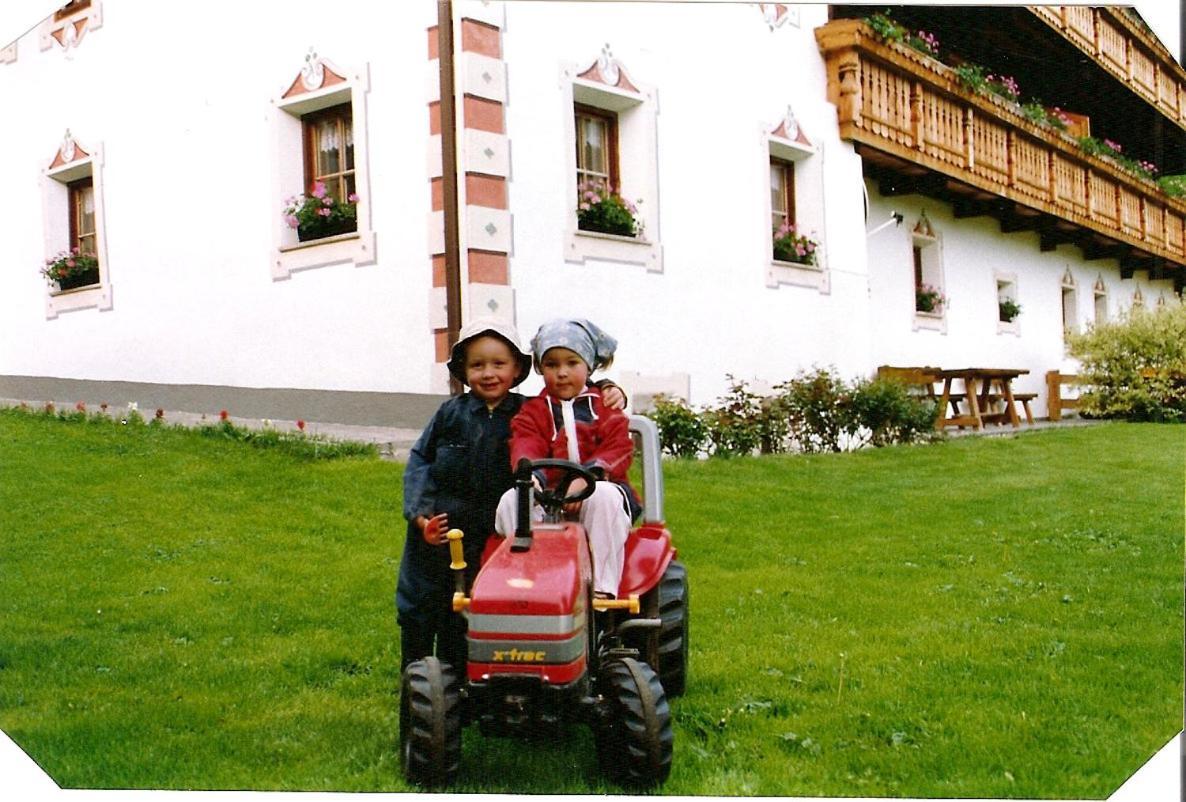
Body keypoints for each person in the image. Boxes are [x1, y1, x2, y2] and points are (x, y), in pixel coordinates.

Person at [397, 318, 625, 671]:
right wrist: (420, 513)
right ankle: (414, 671)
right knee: (422, 600)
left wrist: (610, 388)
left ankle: (461, 670)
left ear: (518, 368)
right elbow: (421, 461)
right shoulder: (449, 413)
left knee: (476, 601)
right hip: (444, 525)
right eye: (477, 365)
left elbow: (572, 392)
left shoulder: (529, 410)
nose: (488, 373)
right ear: (462, 370)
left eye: (499, 364)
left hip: (489, 528)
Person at [494, 319, 640, 599]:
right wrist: (532, 477)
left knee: (605, 498)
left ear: (588, 366)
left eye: (571, 363)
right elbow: (526, 443)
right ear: (540, 368)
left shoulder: (603, 407)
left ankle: (601, 589)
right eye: (551, 364)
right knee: (511, 501)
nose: (561, 373)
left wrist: (589, 478)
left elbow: (618, 447)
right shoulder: (534, 411)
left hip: (598, 490)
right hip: (548, 497)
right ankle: (526, 581)